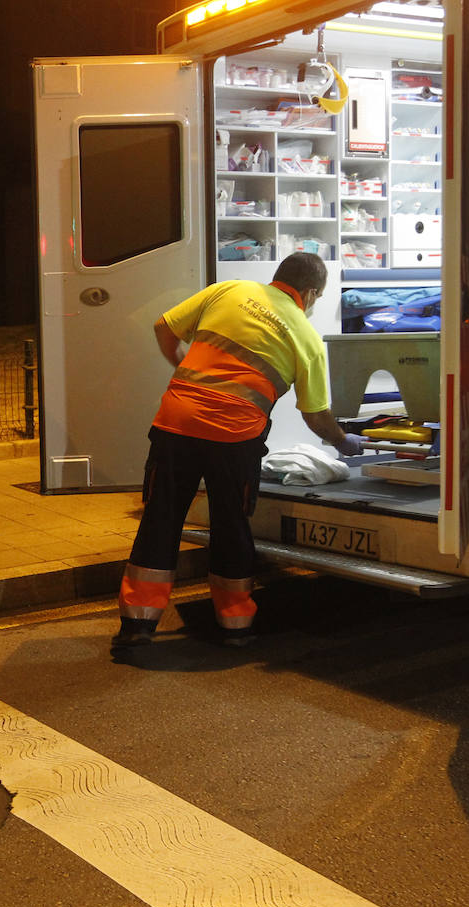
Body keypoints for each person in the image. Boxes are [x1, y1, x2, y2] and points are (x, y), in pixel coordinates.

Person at [114, 253, 365, 650]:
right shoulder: (306, 337)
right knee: (230, 526)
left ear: (278, 277)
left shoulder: (229, 290)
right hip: (234, 440)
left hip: (176, 423)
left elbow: (164, 326)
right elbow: (315, 416)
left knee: (160, 521)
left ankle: (137, 627)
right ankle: (235, 626)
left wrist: (181, 367)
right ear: (311, 293)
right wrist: (343, 441)